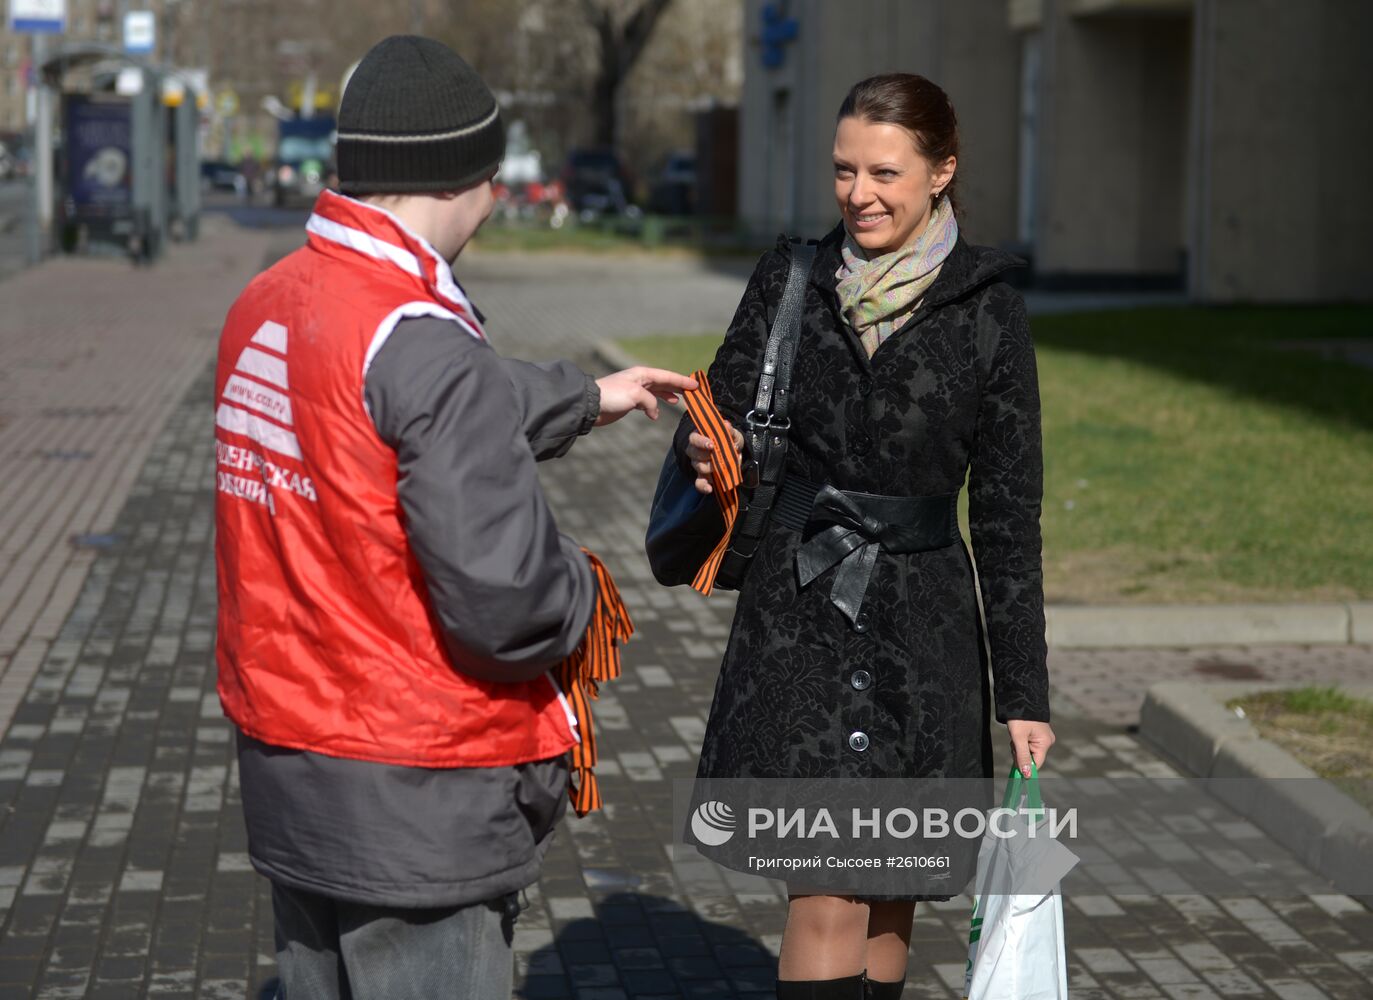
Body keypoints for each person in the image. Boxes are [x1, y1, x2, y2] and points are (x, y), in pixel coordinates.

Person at [213, 36, 695, 1000]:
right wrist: (579, 594)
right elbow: (502, 599)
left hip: (295, 769)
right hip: (418, 793)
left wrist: (579, 398)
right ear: (471, 175)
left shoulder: (271, 301)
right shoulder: (423, 344)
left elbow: (383, 407)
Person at [677, 74, 1057, 999]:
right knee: (825, 898)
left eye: (883, 171)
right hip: (798, 616)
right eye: (843, 169)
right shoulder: (790, 278)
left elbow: (1007, 512)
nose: (858, 193)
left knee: (893, 894)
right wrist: (710, 447)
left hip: (921, 632)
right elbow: (726, 407)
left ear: (941, 172)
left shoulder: (988, 310)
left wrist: (1023, 693)